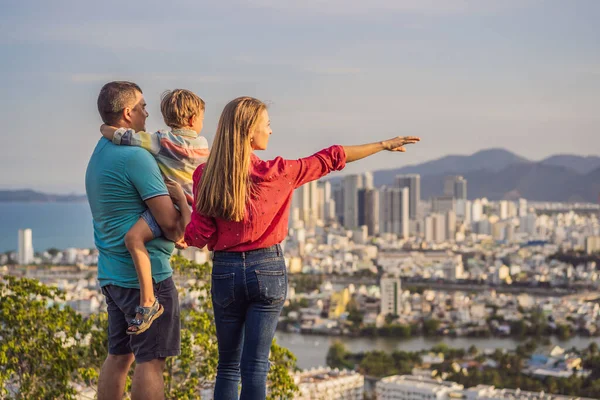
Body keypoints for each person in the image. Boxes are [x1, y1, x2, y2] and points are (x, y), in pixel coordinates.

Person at [184, 96, 420, 399]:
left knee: (228, 366)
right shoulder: (278, 172)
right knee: (255, 366)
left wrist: (181, 214)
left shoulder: (206, 176)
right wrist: (382, 144)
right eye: (266, 125)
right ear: (249, 131)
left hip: (226, 271)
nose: (271, 131)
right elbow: (332, 157)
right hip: (267, 269)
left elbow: (199, 235)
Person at [86, 81, 187, 400]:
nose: (147, 112)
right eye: (142, 106)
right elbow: (169, 223)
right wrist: (182, 204)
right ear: (128, 114)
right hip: (146, 280)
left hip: (112, 275)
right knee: (150, 361)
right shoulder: (136, 157)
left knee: (118, 357)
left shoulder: (100, 152)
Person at [100, 88, 209, 334]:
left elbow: (123, 137)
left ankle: (148, 300)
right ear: (193, 120)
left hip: (171, 205)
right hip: (192, 208)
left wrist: (104, 129)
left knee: (133, 238)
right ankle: (184, 236)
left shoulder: (161, 141)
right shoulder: (204, 148)